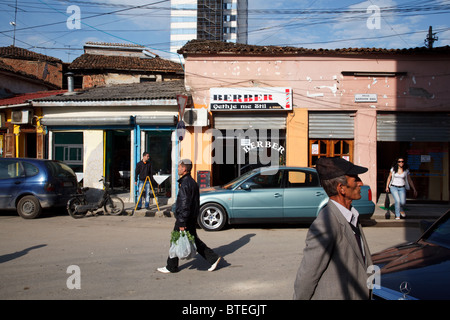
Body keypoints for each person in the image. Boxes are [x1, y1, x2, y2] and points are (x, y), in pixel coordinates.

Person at [293, 157, 373, 300]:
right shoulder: (325, 223)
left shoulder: (352, 216)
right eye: (355, 179)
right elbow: (308, 274)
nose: (360, 183)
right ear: (341, 188)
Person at [157, 159, 221, 273]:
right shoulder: (190, 182)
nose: (178, 169)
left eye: (179, 167)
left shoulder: (186, 183)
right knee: (192, 240)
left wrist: (182, 222)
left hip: (185, 219)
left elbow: (185, 205)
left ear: (184, 169)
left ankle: (171, 266)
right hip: (189, 218)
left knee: (176, 240)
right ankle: (213, 258)